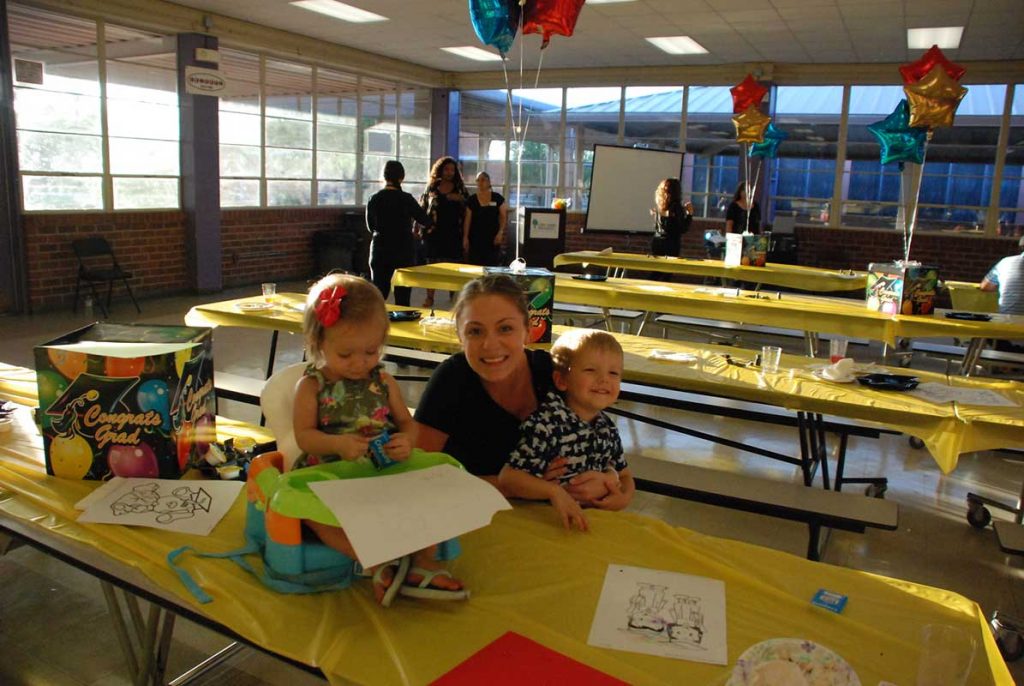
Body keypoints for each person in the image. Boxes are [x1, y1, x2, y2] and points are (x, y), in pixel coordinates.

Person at [293, 273, 466, 605]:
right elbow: (304, 437)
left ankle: (423, 562)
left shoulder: (384, 381)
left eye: (371, 351)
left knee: (427, 496)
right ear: (318, 344)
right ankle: (377, 562)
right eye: (346, 355)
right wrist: (337, 445)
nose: (360, 363)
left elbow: (407, 423)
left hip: (380, 468)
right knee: (310, 513)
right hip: (330, 472)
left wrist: (407, 440)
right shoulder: (312, 385)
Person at [414, 274, 620, 505]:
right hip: (469, 512)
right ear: (460, 337)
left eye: (505, 328)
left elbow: (614, 464)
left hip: (549, 520)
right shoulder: (452, 379)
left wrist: (607, 482)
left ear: (528, 331)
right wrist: (523, 486)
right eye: (475, 331)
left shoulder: (553, 374)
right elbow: (418, 474)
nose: (490, 345)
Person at [498, 329, 635, 531]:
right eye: (590, 370)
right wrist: (554, 492)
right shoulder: (547, 424)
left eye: (613, 373)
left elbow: (625, 476)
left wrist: (623, 498)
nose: (604, 379)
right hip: (544, 525)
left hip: (589, 524)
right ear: (561, 380)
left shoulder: (607, 428)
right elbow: (508, 478)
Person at [365, 160, 432, 306]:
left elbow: (371, 227)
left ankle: (376, 327)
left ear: (384, 177)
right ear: (401, 178)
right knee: (403, 300)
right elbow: (425, 220)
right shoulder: (406, 199)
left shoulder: (374, 199)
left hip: (380, 250)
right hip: (403, 251)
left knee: (378, 298)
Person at [419, 156, 469, 307]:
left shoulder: (460, 188)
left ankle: (453, 296)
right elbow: (422, 207)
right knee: (432, 266)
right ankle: (430, 297)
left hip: (454, 232)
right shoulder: (432, 187)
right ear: (440, 170)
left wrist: (459, 198)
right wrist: (417, 226)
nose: (449, 172)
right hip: (433, 233)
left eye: (452, 170)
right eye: (447, 169)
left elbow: (469, 208)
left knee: (452, 267)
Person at [980, 236, 1024, 355]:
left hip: (1006, 325)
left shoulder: (1006, 262)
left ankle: (1010, 356)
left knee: (984, 330)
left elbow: (985, 286)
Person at [462, 171, 507, 266]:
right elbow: (467, 220)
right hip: (475, 238)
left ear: (489, 182)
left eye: (483, 180)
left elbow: (503, 216)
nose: (480, 182)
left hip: (493, 238)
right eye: (478, 180)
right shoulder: (472, 200)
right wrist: (465, 237)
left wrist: (500, 232)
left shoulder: (497, 198)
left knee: (492, 263)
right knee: (475, 264)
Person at [650, 177, 692, 260]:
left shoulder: (660, 207)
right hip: (671, 244)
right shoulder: (676, 207)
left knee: (656, 270)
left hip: (657, 242)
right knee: (667, 271)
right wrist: (689, 214)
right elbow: (682, 228)